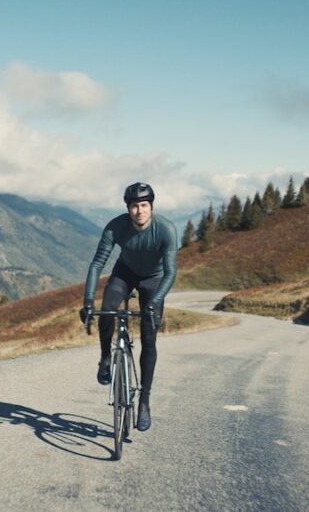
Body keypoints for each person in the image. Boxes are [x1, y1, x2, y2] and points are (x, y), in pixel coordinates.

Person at [79, 182, 177, 432]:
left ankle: (144, 401)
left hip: (154, 281)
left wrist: (155, 302)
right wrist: (88, 302)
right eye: (134, 206)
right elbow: (97, 264)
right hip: (125, 273)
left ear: (151, 207)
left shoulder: (165, 229)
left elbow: (171, 271)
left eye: (144, 205)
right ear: (128, 209)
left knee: (149, 338)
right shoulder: (116, 227)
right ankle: (104, 358)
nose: (139, 211)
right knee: (108, 308)